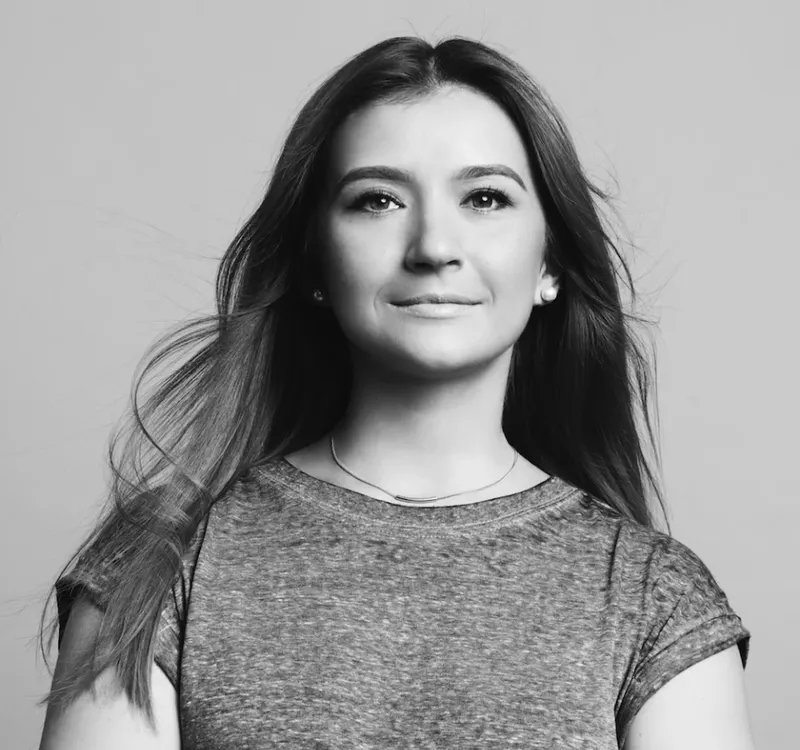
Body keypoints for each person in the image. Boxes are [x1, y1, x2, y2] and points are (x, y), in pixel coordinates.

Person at [37, 35, 755, 749]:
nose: (434, 246)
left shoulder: (653, 597)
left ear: (551, 265)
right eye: (377, 200)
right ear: (314, 261)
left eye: (485, 198)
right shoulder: (159, 565)